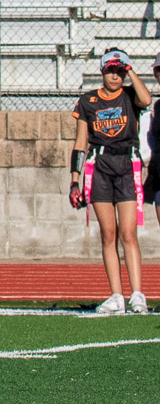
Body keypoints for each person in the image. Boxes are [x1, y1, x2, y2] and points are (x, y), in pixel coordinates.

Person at [71, 48, 151, 316]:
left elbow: (146, 99)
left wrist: (130, 69)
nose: (115, 76)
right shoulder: (88, 101)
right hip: (100, 167)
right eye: (110, 71)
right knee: (108, 234)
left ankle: (137, 294)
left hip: (126, 165)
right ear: (102, 71)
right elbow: (80, 142)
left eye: (119, 71)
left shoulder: (129, 96)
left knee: (128, 233)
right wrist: (74, 181)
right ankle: (117, 296)